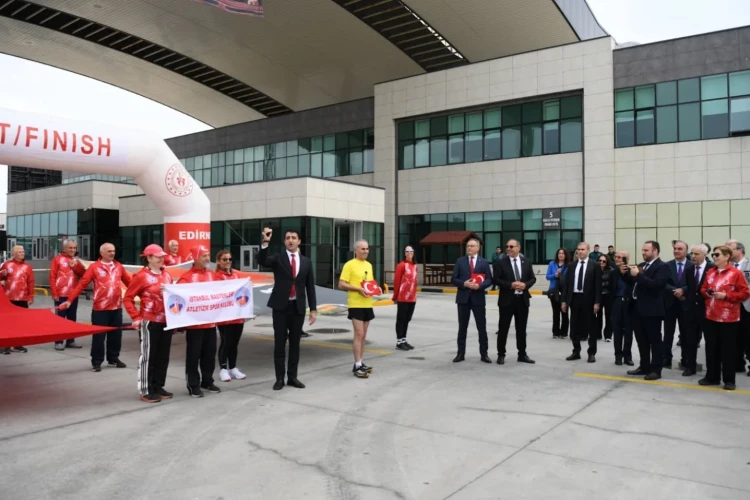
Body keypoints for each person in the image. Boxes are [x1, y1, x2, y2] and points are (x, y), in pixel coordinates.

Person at [258, 228, 317, 389]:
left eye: (294, 238)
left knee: (295, 345)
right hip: (280, 307)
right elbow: (262, 261)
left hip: (297, 308)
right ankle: (279, 378)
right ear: (285, 241)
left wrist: (313, 309)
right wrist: (265, 241)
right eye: (288, 238)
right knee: (279, 343)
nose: (291, 240)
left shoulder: (306, 262)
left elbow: (310, 287)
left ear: (299, 241)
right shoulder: (278, 258)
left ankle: (292, 377)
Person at [61, 243, 131, 371]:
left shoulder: (118, 266)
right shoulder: (94, 267)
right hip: (100, 309)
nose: (112, 253)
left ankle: (113, 359)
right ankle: (97, 361)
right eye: (109, 251)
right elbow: (82, 284)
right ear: (102, 253)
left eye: (113, 251)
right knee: (99, 337)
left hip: (116, 308)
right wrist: (70, 300)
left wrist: (144, 294)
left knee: (116, 336)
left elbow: (130, 283)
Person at [123, 244, 174, 403]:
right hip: (149, 321)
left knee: (163, 356)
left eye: (162, 256)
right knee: (148, 356)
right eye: (158, 256)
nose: (161, 259)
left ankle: (158, 386)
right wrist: (136, 317)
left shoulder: (167, 275)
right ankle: (146, 390)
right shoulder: (141, 276)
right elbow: (128, 298)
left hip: (166, 321)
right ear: (149, 258)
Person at [699, 245, 750, 391]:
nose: (714, 257)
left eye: (717, 255)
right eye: (713, 255)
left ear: (727, 256)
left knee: (728, 350)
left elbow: (745, 293)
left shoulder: (736, 273)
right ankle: (712, 377)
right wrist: (707, 292)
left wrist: (726, 296)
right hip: (711, 315)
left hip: (728, 318)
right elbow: (703, 288)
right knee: (711, 348)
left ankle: (729, 380)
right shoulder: (711, 272)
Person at [620, 240, 670, 381]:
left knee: (655, 341)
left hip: (652, 310)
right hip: (637, 309)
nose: (643, 252)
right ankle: (644, 366)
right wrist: (624, 274)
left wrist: (638, 275)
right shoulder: (641, 265)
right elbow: (633, 284)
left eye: (646, 250)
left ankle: (656, 369)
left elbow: (656, 285)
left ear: (655, 251)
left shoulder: (663, 266)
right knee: (641, 340)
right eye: (642, 250)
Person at [177, 245, 221, 397]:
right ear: (195, 258)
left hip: (210, 323)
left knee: (209, 355)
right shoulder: (186, 278)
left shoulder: (212, 275)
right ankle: (193, 385)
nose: (208, 258)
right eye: (204, 256)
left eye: (208, 255)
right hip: (194, 325)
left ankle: (207, 381)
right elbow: (177, 297)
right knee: (193, 356)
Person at [493, 239, 536, 365]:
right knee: (503, 329)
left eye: (511, 246)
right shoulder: (500, 263)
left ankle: (522, 354)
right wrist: (510, 285)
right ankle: (501, 354)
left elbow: (532, 278)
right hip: (506, 301)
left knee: (521, 329)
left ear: (518, 248)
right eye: (507, 246)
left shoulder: (526, 262)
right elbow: (496, 279)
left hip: (522, 300)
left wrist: (525, 285)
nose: (508, 248)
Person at [339, 239, 378, 378]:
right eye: (363, 249)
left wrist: (376, 289)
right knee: (359, 334)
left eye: (367, 248)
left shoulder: (369, 265)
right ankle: (356, 365)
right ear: (355, 251)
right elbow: (341, 284)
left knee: (364, 335)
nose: (366, 251)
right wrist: (358, 289)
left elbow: (369, 284)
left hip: (367, 303)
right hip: (355, 304)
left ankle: (360, 362)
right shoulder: (349, 265)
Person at [451, 238, 493, 364]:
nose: (469, 248)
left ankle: (484, 354)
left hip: (478, 299)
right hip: (463, 299)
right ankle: (460, 353)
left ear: (478, 248)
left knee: (481, 327)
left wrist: (480, 286)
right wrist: (463, 284)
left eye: (472, 246)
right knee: (462, 327)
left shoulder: (484, 262)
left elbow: (489, 280)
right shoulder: (460, 261)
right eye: (468, 246)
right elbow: (454, 279)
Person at [561, 242, 601, 363]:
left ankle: (591, 353)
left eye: (582, 249)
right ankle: (576, 351)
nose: (580, 251)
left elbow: (598, 285)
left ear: (588, 250)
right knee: (574, 326)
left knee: (591, 327)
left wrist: (597, 302)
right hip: (574, 299)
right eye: (578, 249)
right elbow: (567, 285)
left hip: (588, 299)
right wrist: (564, 301)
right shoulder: (571, 265)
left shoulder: (595, 265)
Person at [214, 249, 249, 383]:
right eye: (224, 259)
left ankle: (233, 367)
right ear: (218, 261)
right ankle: (223, 369)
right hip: (224, 316)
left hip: (238, 315)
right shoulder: (216, 276)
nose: (228, 261)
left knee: (234, 343)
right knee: (226, 342)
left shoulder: (236, 275)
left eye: (229, 259)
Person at [50, 239, 86, 350]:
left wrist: (75, 266)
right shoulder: (57, 259)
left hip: (73, 295)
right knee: (60, 319)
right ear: (64, 248)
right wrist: (54, 293)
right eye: (70, 248)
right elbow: (52, 276)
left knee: (72, 318)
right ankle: (58, 341)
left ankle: (71, 340)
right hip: (60, 295)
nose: (73, 250)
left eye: (74, 248)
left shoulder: (77, 261)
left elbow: (83, 274)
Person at [683, 244, 713, 376]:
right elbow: (689, 288)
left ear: (705, 255)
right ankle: (690, 366)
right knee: (690, 340)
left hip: (707, 310)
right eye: (692, 254)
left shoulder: (712, 269)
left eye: (696, 254)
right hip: (691, 310)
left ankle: (711, 370)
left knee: (710, 341)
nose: (693, 256)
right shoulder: (689, 269)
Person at [663, 240, 692, 369]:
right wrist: (675, 291)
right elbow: (663, 282)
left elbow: (694, 283)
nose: (676, 251)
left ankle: (686, 359)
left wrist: (683, 290)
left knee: (686, 334)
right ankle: (666, 358)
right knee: (668, 333)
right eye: (675, 248)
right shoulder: (667, 265)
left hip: (685, 304)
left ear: (686, 251)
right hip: (670, 304)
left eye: (680, 249)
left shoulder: (692, 266)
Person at [0, 245, 32, 354]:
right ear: (13, 253)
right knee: (7, 322)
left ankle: (17, 345)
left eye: (23, 251)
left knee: (21, 323)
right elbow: (1, 278)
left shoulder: (27, 267)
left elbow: (30, 282)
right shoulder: (7, 265)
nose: (22, 253)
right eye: (19, 252)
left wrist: (30, 296)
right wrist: (1, 275)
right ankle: (5, 345)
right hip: (8, 298)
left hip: (22, 298)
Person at [726, 240, 750, 375]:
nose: (727, 250)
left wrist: (740, 293)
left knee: (748, 335)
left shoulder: (748, 264)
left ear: (740, 250)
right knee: (734, 336)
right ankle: (738, 364)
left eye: (730, 248)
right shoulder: (726, 266)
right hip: (731, 306)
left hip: (747, 305)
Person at [392, 245, 418, 351]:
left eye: (411, 251)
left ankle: (404, 339)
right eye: (407, 251)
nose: (409, 253)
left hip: (412, 297)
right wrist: (395, 296)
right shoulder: (401, 265)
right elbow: (397, 281)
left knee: (407, 319)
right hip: (403, 297)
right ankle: (399, 341)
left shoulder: (415, 265)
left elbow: (415, 282)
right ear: (404, 253)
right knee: (401, 319)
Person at [611, 251, 633, 366]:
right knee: (617, 331)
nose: (617, 259)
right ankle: (618, 356)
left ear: (626, 259)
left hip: (629, 303)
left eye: (620, 257)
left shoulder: (632, 272)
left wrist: (625, 274)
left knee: (628, 331)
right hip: (617, 302)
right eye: (616, 257)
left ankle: (627, 356)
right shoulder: (613, 272)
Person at [545, 248, 570, 339]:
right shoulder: (552, 264)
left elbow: (570, 278)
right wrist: (555, 275)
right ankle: (555, 332)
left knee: (564, 312)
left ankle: (564, 332)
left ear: (565, 255)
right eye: (559, 253)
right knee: (555, 313)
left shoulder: (568, 265)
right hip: (554, 290)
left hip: (564, 291)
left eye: (563, 253)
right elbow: (547, 276)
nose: (561, 255)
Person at [596, 254, 616, 342]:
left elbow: (612, 285)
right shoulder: (595, 270)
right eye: (600, 260)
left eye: (604, 261)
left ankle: (608, 335)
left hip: (608, 296)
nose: (601, 262)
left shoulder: (611, 271)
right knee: (598, 316)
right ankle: (598, 334)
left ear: (607, 262)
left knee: (609, 316)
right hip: (598, 295)